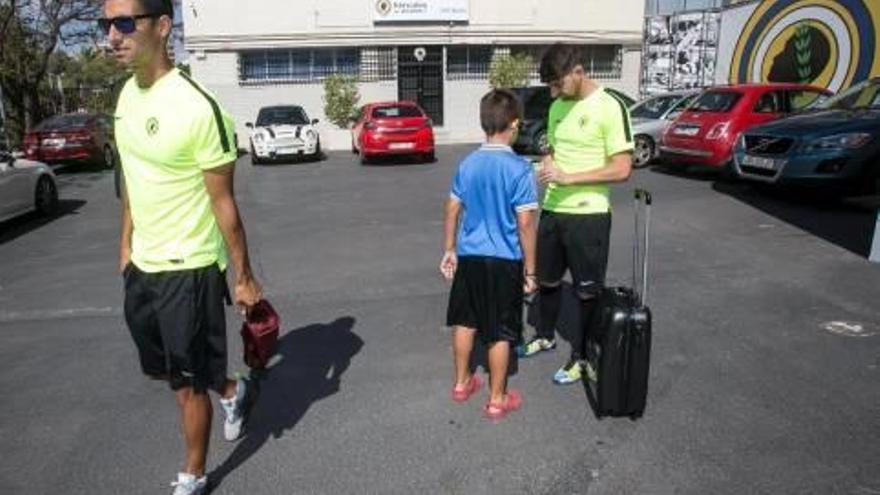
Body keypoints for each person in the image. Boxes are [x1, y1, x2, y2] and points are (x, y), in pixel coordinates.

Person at [103, 0, 263, 493]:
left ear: (163, 26)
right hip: (143, 268)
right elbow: (132, 175)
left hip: (190, 268)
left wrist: (243, 276)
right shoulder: (126, 96)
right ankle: (234, 389)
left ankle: (193, 473)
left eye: (125, 23)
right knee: (168, 370)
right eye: (106, 24)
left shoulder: (199, 108)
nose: (112, 36)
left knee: (186, 384)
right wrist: (126, 242)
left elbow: (225, 205)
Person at [516, 43, 633, 385]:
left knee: (586, 292)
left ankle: (582, 356)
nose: (553, 92)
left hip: (589, 215)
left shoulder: (610, 106)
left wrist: (571, 177)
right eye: (550, 86)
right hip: (553, 209)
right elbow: (553, 148)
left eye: (558, 84)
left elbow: (623, 168)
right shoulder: (557, 106)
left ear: (578, 72)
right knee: (548, 282)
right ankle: (545, 335)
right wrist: (548, 164)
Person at [440, 89, 539, 420]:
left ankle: (461, 382)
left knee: (465, 321)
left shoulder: (467, 164)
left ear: (484, 123)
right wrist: (530, 271)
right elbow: (525, 223)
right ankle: (497, 399)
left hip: (469, 257)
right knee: (498, 330)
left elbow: (453, 208)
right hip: (503, 260)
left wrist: (450, 249)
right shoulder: (520, 169)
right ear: (513, 124)